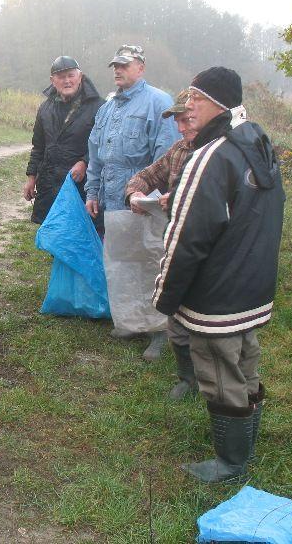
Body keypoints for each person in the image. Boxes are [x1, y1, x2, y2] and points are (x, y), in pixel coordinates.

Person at [153, 67, 285, 482]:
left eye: (195, 97)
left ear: (217, 104)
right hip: (254, 287)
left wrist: (166, 296)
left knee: (220, 375)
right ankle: (245, 447)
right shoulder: (259, 145)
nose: (188, 105)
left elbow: (186, 238)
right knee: (246, 364)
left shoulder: (210, 157)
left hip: (217, 297)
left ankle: (230, 465)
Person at [85, 44, 179, 361]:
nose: (118, 70)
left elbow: (166, 159)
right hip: (113, 201)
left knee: (152, 263)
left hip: (145, 203)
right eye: (115, 65)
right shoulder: (108, 107)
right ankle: (130, 321)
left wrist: (150, 198)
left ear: (141, 67)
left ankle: (159, 331)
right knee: (121, 263)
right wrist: (92, 192)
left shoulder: (158, 102)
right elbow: (96, 153)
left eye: (125, 65)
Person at [125, 90, 199, 399]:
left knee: (199, 308)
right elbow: (144, 176)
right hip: (174, 241)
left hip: (205, 243)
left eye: (187, 121)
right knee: (172, 296)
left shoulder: (218, 153)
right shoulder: (178, 150)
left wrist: (179, 198)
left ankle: (203, 375)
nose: (180, 129)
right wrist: (134, 195)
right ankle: (186, 377)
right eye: (177, 121)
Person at [23, 56, 103, 227]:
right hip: (50, 184)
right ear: (53, 81)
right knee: (54, 235)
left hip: (82, 186)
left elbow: (105, 143)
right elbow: (38, 147)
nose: (67, 81)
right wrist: (31, 177)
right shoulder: (45, 108)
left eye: (71, 75)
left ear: (80, 76)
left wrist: (85, 162)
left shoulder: (99, 107)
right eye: (61, 77)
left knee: (80, 235)